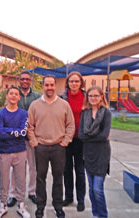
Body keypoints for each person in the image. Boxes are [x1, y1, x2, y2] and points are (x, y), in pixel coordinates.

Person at [28, 75, 75, 218]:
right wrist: (34, 142)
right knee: (40, 178)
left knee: (58, 178)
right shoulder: (35, 105)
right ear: (43, 86)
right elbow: (30, 126)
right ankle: (40, 206)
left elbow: (70, 125)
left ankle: (58, 206)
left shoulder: (64, 105)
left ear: (55, 86)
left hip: (58, 147)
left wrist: (65, 142)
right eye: (46, 85)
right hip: (41, 147)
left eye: (51, 85)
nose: (49, 87)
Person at [0, 86, 31, 218]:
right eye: (11, 93)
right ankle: (3, 205)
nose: (14, 96)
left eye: (16, 94)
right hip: (4, 152)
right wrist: (14, 131)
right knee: (3, 180)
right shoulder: (0, 114)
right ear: (7, 96)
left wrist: (8, 130)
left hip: (20, 151)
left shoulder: (23, 114)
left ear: (19, 97)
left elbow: (23, 132)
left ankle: (21, 205)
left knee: (21, 179)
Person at [7, 70, 41, 207]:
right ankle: (13, 194)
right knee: (15, 168)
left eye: (27, 79)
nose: (25, 81)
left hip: (33, 137)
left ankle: (32, 192)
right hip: (17, 139)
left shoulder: (37, 96)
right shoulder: (14, 95)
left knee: (33, 167)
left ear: (30, 81)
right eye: (22, 79)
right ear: (19, 80)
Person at [78, 86, 111, 218]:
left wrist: (89, 137)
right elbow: (81, 135)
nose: (93, 98)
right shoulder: (84, 113)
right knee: (91, 189)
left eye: (96, 96)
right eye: (90, 96)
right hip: (88, 155)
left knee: (98, 189)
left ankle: (103, 215)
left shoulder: (106, 113)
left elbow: (104, 136)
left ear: (101, 97)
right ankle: (95, 214)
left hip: (101, 155)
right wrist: (96, 137)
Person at [61, 71, 86, 211]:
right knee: (67, 169)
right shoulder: (63, 98)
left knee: (80, 170)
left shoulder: (87, 97)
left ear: (81, 82)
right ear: (68, 83)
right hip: (67, 139)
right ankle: (69, 196)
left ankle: (80, 199)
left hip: (81, 140)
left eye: (77, 81)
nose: (74, 84)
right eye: (71, 81)